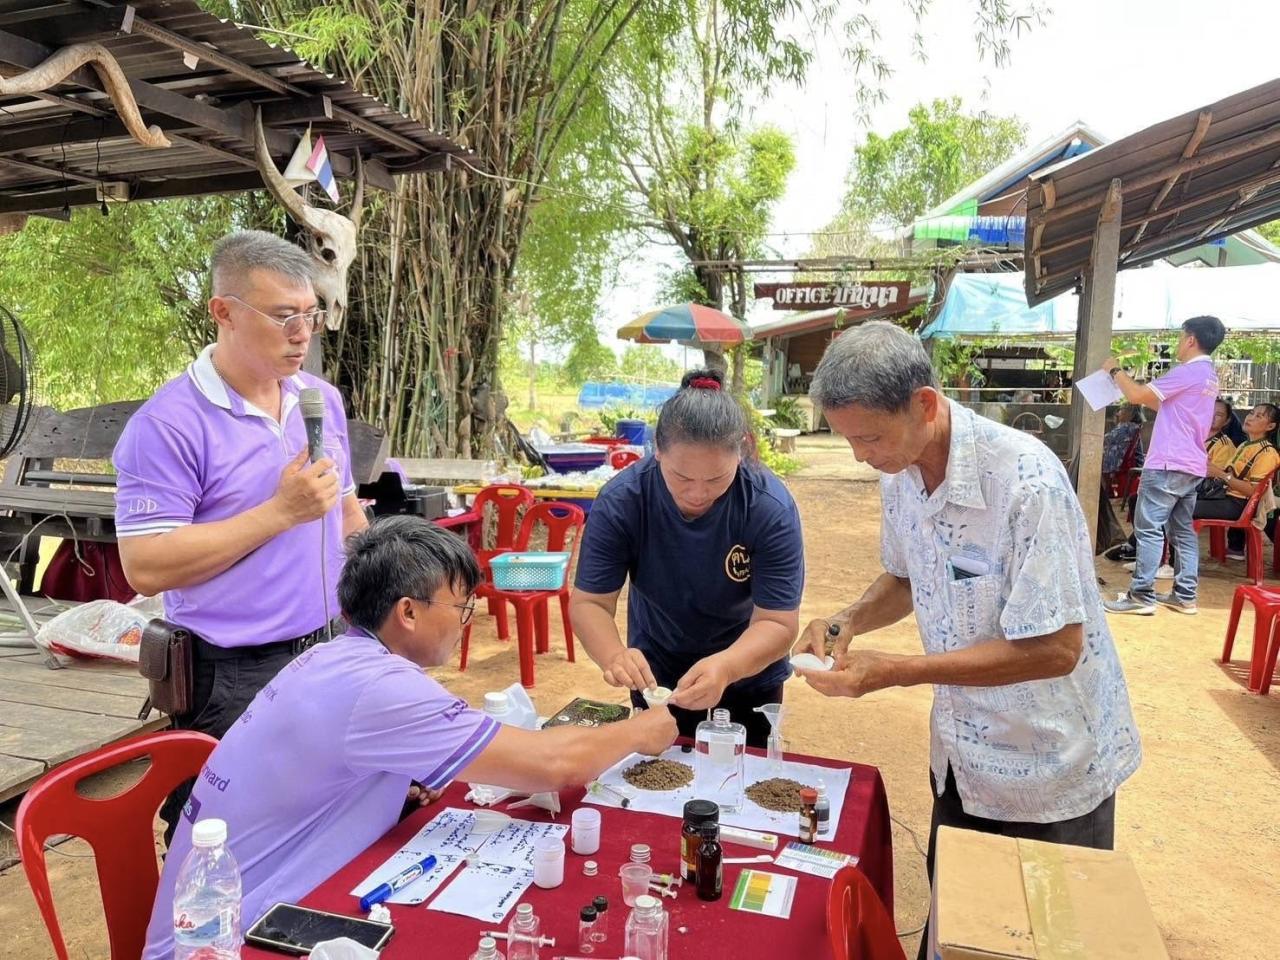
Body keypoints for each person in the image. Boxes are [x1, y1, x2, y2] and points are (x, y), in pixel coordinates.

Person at [141, 517, 677, 960]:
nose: (466, 623)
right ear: (409, 612)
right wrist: (638, 730)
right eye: (461, 608)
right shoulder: (381, 687)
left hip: (237, 913)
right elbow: (553, 765)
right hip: (231, 941)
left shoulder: (333, 657)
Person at [790, 322, 1141, 960]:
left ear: (924, 404)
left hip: (1049, 763)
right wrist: (847, 621)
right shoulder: (901, 474)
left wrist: (896, 670)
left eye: (870, 437)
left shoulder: (1026, 482)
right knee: (960, 927)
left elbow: (1057, 649)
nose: (861, 456)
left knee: (1046, 939)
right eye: (849, 439)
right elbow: (907, 576)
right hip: (962, 757)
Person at [113, 230, 368, 842]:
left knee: (333, 819)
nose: (302, 334)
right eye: (283, 316)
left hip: (330, 646)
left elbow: (347, 517)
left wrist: (377, 613)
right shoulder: (168, 425)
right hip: (232, 674)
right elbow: (145, 566)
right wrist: (279, 513)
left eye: (310, 315)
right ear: (223, 312)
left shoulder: (320, 401)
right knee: (228, 840)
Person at [570, 368, 804, 747]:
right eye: (681, 477)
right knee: (656, 773)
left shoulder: (768, 507)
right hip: (656, 674)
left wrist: (727, 666)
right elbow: (590, 603)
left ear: (741, 452)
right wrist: (613, 655)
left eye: (716, 479)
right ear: (657, 450)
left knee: (743, 774)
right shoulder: (623, 502)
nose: (697, 494)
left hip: (749, 671)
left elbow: (777, 622)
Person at [1102, 316, 1226, 616]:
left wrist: (1115, 370)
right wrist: (1132, 387)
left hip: (1169, 461)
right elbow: (1162, 404)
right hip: (1191, 464)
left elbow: (1136, 396)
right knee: (1182, 532)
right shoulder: (1208, 376)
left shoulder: (1188, 371)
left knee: (1149, 529)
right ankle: (1185, 595)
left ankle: (1141, 595)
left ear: (1191, 340)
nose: (1178, 344)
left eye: (1181, 337)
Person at [1194, 402, 1280, 561]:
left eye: (1259, 416)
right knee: (1179, 502)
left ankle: (1177, 562)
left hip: (1240, 504)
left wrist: (1221, 474)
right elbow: (1229, 473)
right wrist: (1211, 467)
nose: (1250, 418)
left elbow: (1253, 491)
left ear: (1270, 426)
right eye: (1252, 413)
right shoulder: (1244, 445)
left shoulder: (1268, 452)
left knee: (1182, 508)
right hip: (1226, 498)